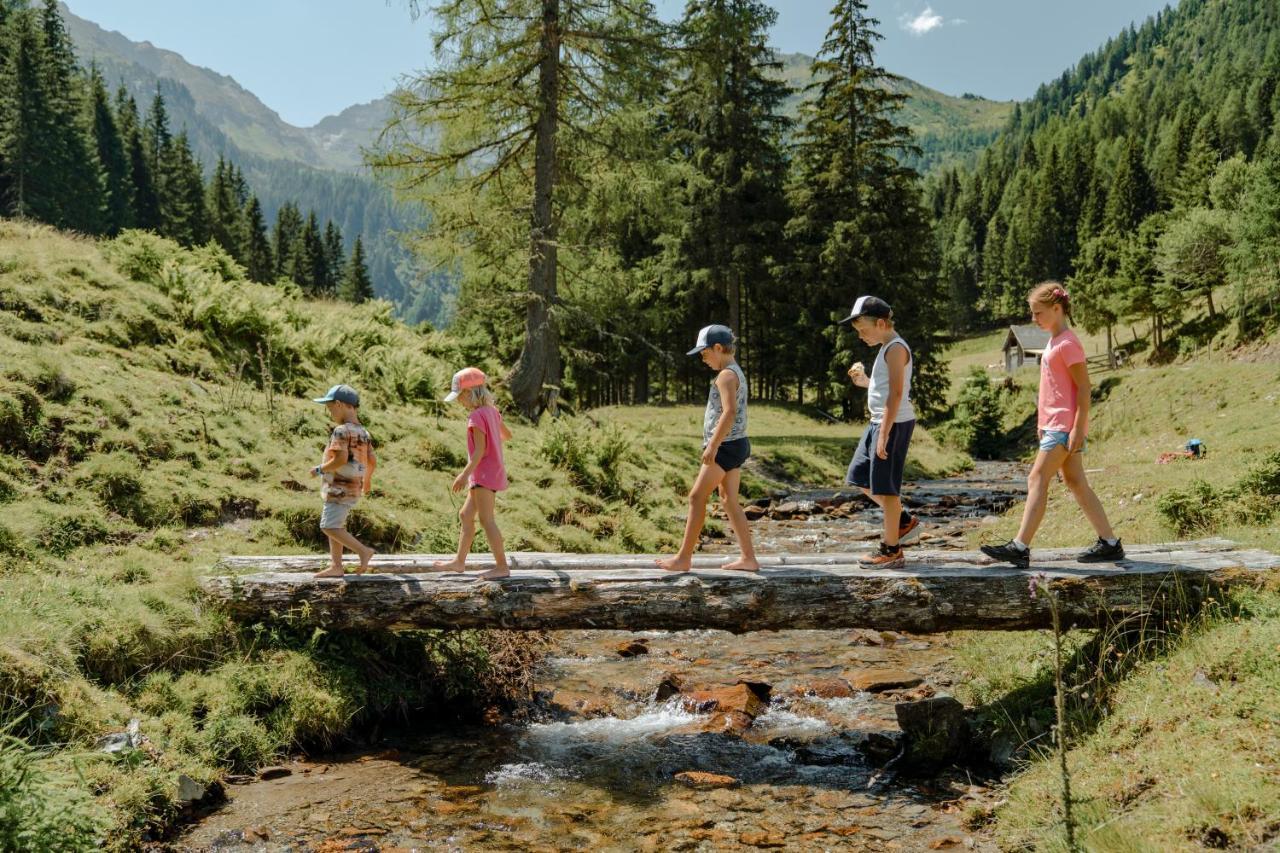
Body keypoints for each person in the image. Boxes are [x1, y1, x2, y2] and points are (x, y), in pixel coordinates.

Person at [981, 282, 1125, 568]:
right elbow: (1053, 387)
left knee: (1037, 478)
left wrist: (1078, 428)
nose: (1034, 319)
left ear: (1057, 309)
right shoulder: (1054, 340)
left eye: (1038, 313)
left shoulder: (1068, 343)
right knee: (1075, 481)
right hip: (1054, 424)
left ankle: (1019, 546)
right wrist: (1042, 422)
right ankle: (1109, 543)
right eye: (1032, 313)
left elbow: (1084, 388)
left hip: (1064, 425)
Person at [657, 324, 759, 573]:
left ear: (718, 348)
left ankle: (683, 559)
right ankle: (749, 558)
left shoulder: (725, 375)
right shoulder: (736, 372)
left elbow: (730, 412)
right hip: (737, 444)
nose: (703, 360)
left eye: (704, 354)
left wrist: (712, 445)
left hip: (725, 446)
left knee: (696, 497)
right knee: (729, 500)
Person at [843, 296, 920, 569]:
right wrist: (865, 382)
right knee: (861, 477)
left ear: (880, 323)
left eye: (863, 330)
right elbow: (885, 387)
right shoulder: (886, 347)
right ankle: (901, 520)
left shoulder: (896, 348)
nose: (861, 336)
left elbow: (898, 394)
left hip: (892, 424)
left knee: (887, 490)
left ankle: (891, 549)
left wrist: (885, 432)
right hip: (879, 422)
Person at [432, 367, 513, 579]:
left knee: (487, 520)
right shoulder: (492, 412)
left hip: (482, 474)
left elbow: (478, 452)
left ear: (470, 393)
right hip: (490, 472)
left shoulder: (476, 417)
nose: (459, 402)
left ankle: (502, 567)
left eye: (460, 397)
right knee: (466, 515)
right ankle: (459, 562)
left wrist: (463, 475)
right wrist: (494, 432)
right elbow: (507, 435)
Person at [310, 384, 377, 579]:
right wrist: (367, 480)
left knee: (328, 526)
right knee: (336, 525)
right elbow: (372, 460)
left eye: (330, 408)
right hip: (354, 487)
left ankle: (363, 551)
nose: (330, 412)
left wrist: (319, 469)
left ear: (339, 404)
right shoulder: (363, 432)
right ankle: (336, 565)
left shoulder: (341, 431)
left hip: (339, 487)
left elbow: (339, 459)